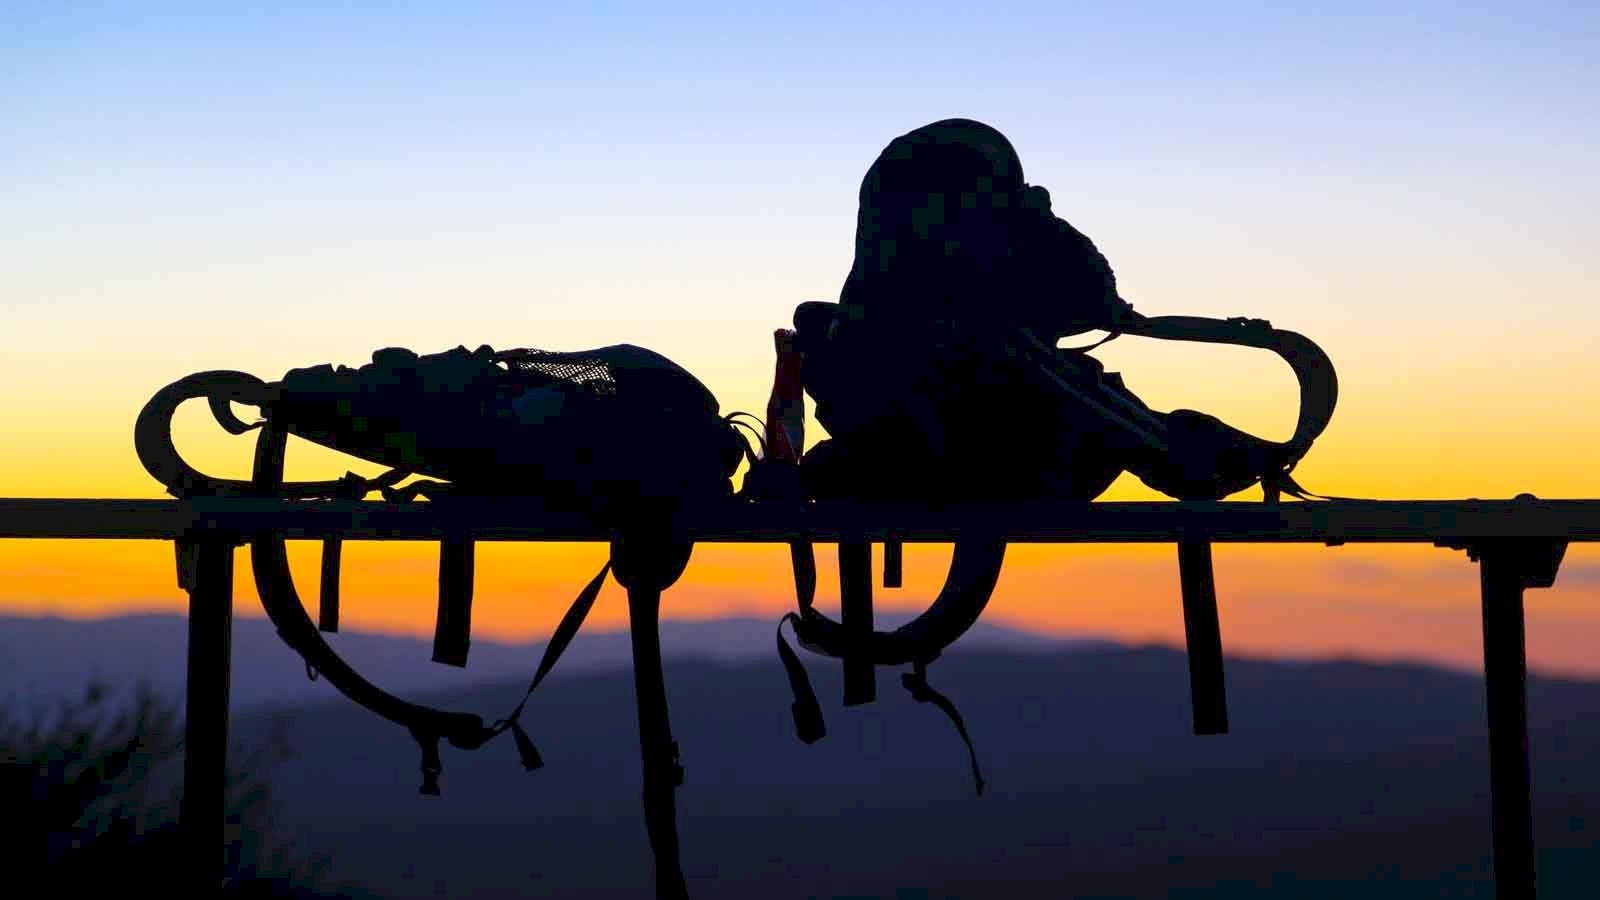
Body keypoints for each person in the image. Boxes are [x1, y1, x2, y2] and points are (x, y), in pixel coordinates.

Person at [793, 118, 1142, 503]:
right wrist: (1035, 215)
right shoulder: (940, 295)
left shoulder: (977, 275)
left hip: (945, 451)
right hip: (982, 456)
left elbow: (1092, 304)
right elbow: (1092, 302)